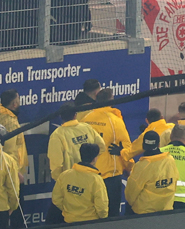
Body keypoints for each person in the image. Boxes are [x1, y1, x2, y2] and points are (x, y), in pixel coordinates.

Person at [80, 88, 132, 217]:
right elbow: (126, 147)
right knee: (111, 215)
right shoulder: (115, 121)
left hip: (87, 174)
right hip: (110, 177)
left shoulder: (86, 119)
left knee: (90, 214)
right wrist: (130, 168)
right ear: (112, 101)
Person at [124, 131, 179, 215]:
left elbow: (130, 193)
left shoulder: (141, 166)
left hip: (144, 213)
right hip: (167, 210)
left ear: (143, 146)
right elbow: (175, 180)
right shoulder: (170, 160)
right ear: (159, 145)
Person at [48, 103, 106, 182]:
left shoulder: (57, 135)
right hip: (89, 176)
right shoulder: (87, 128)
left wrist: (60, 181)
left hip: (70, 181)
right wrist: (91, 161)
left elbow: (56, 164)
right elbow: (101, 146)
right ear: (75, 115)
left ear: (60, 116)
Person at [51, 143, 108, 223]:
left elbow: (56, 199)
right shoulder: (96, 180)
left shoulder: (64, 175)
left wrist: (68, 212)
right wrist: (102, 219)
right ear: (95, 158)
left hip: (69, 221)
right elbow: (102, 207)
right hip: (91, 222)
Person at [0, 90, 27, 187]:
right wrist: (16, 173)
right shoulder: (11, 122)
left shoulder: (2, 114)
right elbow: (10, 151)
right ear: (14, 104)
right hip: (11, 172)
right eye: (18, 99)